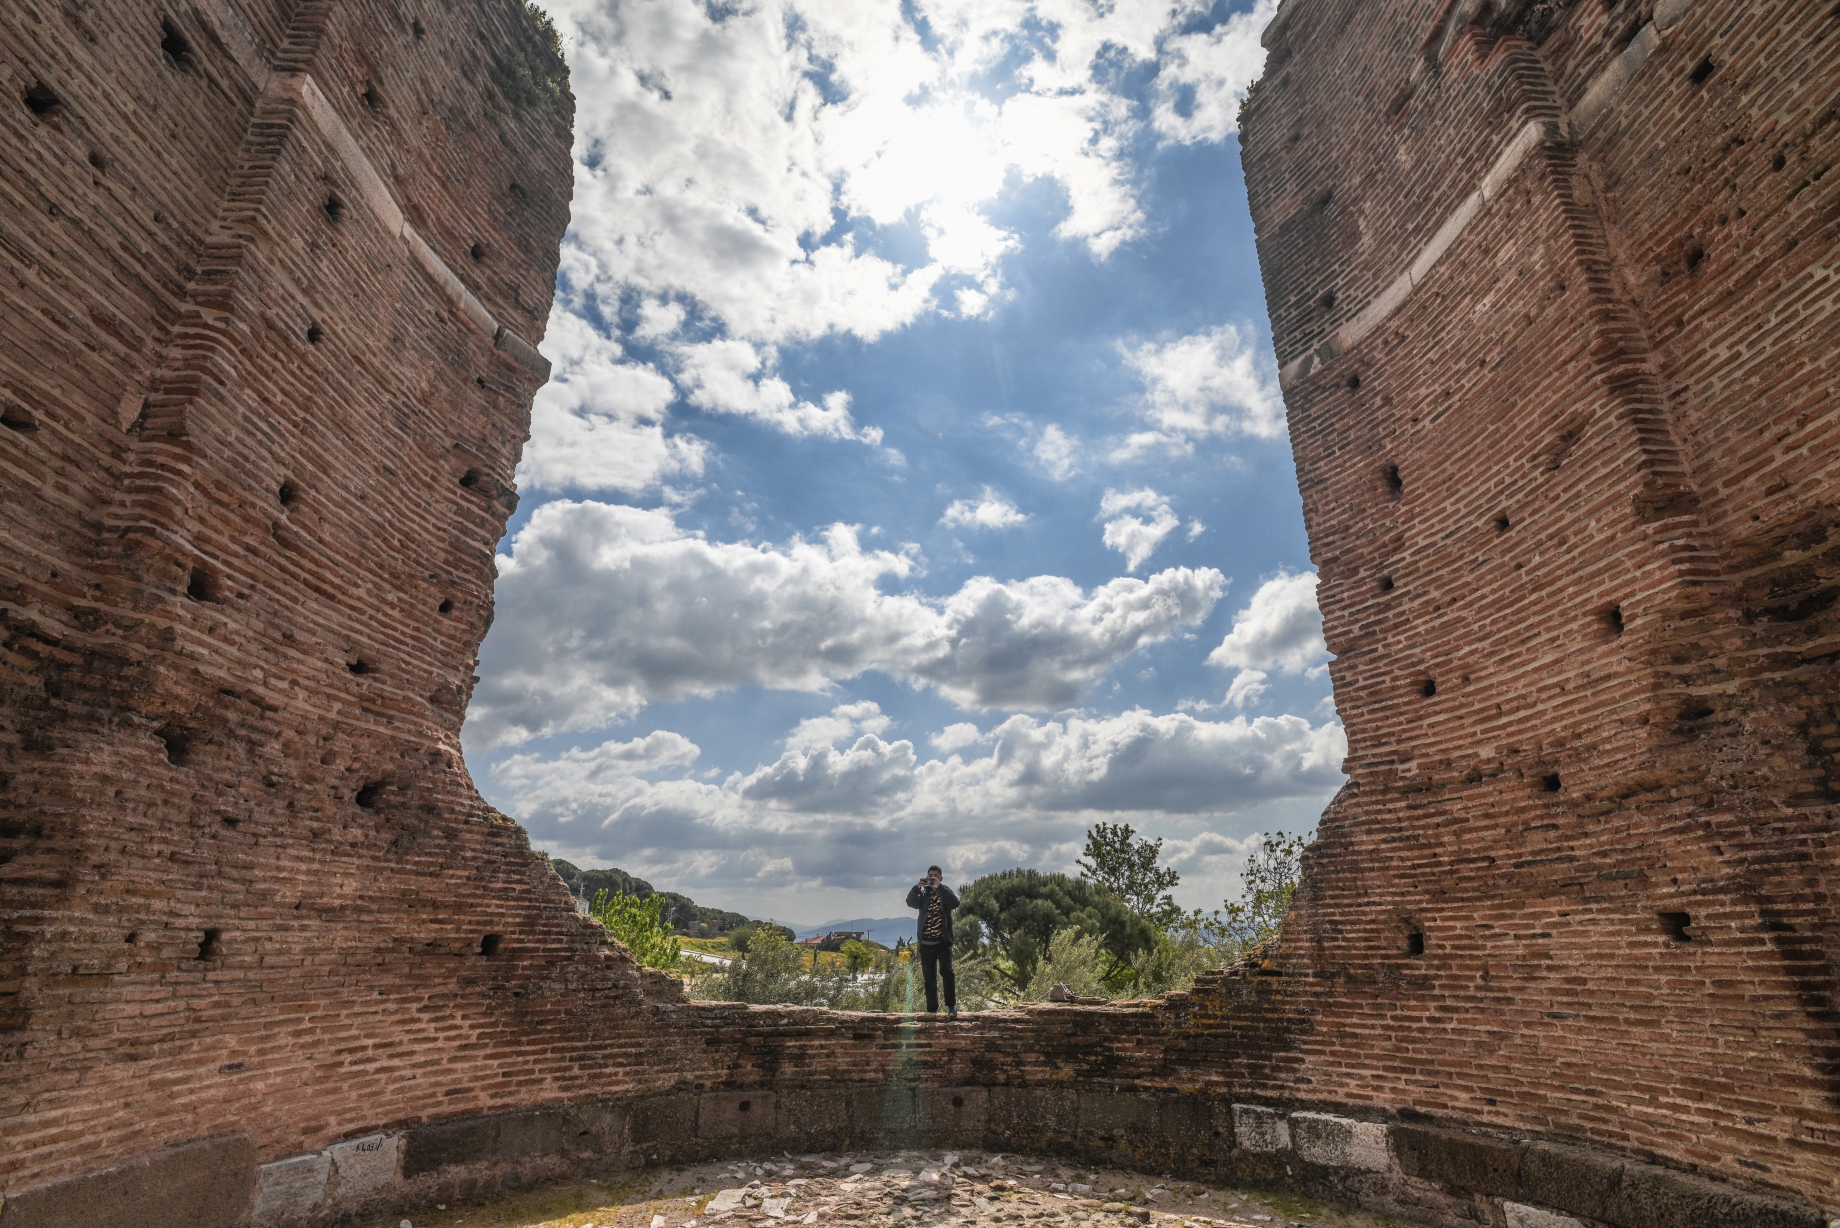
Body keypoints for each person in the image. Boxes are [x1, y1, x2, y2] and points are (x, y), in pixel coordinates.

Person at [904, 865, 959, 1017]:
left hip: (943, 943)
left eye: (935, 876)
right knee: (929, 979)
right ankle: (932, 1010)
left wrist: (940, 887)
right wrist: (917, 887)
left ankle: (951, 1007)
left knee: (947, 974)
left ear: (940, 878)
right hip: (926, 944)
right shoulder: (923, 895)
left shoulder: (945, 892)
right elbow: (910, 902)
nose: (932, 878)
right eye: (930, 875)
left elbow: (955, 903)